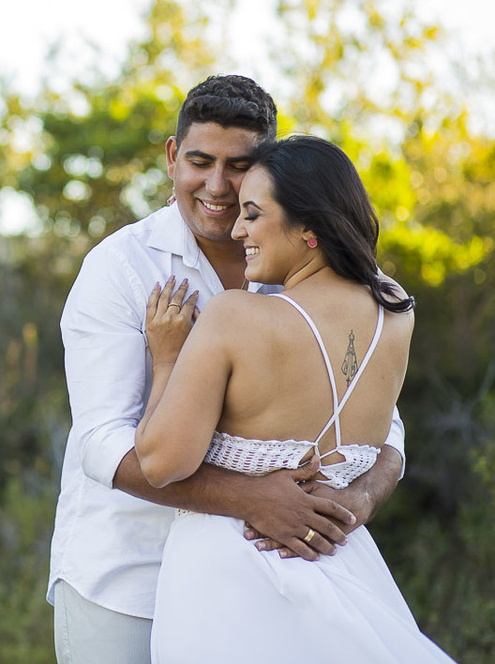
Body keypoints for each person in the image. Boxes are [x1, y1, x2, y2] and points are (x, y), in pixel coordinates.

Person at [47, 75, 406, 664]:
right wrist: (251, 499)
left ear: (267, 169)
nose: (216, 187)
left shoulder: (320, 274)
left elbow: (382, 423)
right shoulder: (120, 267)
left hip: (282, 572)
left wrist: (359, 498)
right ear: (172, 157)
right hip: (129, 576)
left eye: (238, 167)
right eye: (199, 162)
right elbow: (101, 443)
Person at [136, 135, 451, 661]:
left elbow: (160, 463)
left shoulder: (236, 317)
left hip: (227, 581)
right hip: (340, 559)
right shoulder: (395, 308)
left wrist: (167, 357)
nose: (237, 231)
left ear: (309, 227)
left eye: (253, 215)